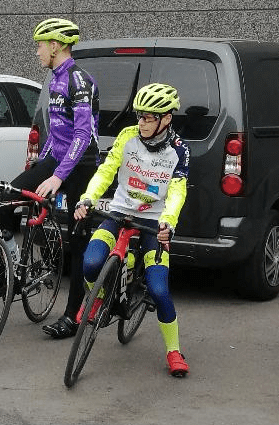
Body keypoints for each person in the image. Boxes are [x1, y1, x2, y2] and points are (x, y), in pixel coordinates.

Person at [73, 83, 191, 376]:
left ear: (167, 118)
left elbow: (177, 192)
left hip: (153, 222)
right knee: (90, 263)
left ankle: (173, 350)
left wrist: (168, 223)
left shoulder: (179, 150)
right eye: (139, 116)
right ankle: (98, 297)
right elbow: (106, 171)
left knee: (159, 290)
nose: (142, 123)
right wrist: (88, 198)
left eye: (149, 117)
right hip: (119, 212)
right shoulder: (127, 136)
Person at [0, 17, 100, 340]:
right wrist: (41, 167)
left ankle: (73, 316)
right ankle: (8, 272)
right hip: (57, 160)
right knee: (6, 198)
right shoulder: (54, 79)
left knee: (79, 241)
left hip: (82, 165)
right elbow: (56, 134)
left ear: (55, 45)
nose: (37, 51)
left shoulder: (78, 80)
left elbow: (82, 136)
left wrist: (57, 176)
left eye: (40, 45)